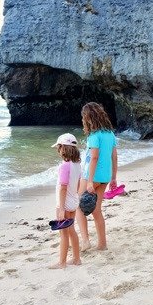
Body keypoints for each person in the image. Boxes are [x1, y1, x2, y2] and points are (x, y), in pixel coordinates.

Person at [77, 102, 118, 251]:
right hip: (105, 176)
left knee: (78, 207)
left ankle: (86, 241)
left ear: (88, 118)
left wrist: (89, 181)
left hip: (92, 176)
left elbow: (94, 157)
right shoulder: (110, 134)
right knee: (96, 210)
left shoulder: (94, 136)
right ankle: (102, 244)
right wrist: (113, 177)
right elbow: (114, 156)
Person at [50, 133, 83, 268]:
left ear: (63, 148)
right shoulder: (77, 165)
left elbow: (63, 187)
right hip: (73, 201)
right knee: (71, 230)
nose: (58, 150)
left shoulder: (64, 166)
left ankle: (62, 262)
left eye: (59, 147)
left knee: (63, 233)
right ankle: (76, 259)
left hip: (65, 203)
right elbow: (78, 184)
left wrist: (61, 208)